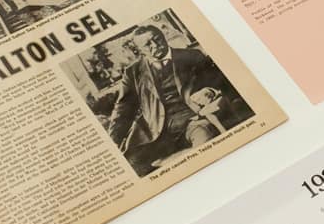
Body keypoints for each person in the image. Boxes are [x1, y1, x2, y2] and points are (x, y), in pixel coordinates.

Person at [106, 26, 250, 175]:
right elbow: (123, 107)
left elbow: (220, 80)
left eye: (157, 39)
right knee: (132, 164)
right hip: (156, 131)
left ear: (163, 36)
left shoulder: (191, 56)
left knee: (206, 147)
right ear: (140, 50)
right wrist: (113, 141)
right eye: (147, 44)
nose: (155, 45)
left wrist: (211, 91)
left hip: (194, 120)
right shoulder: (132, 72)